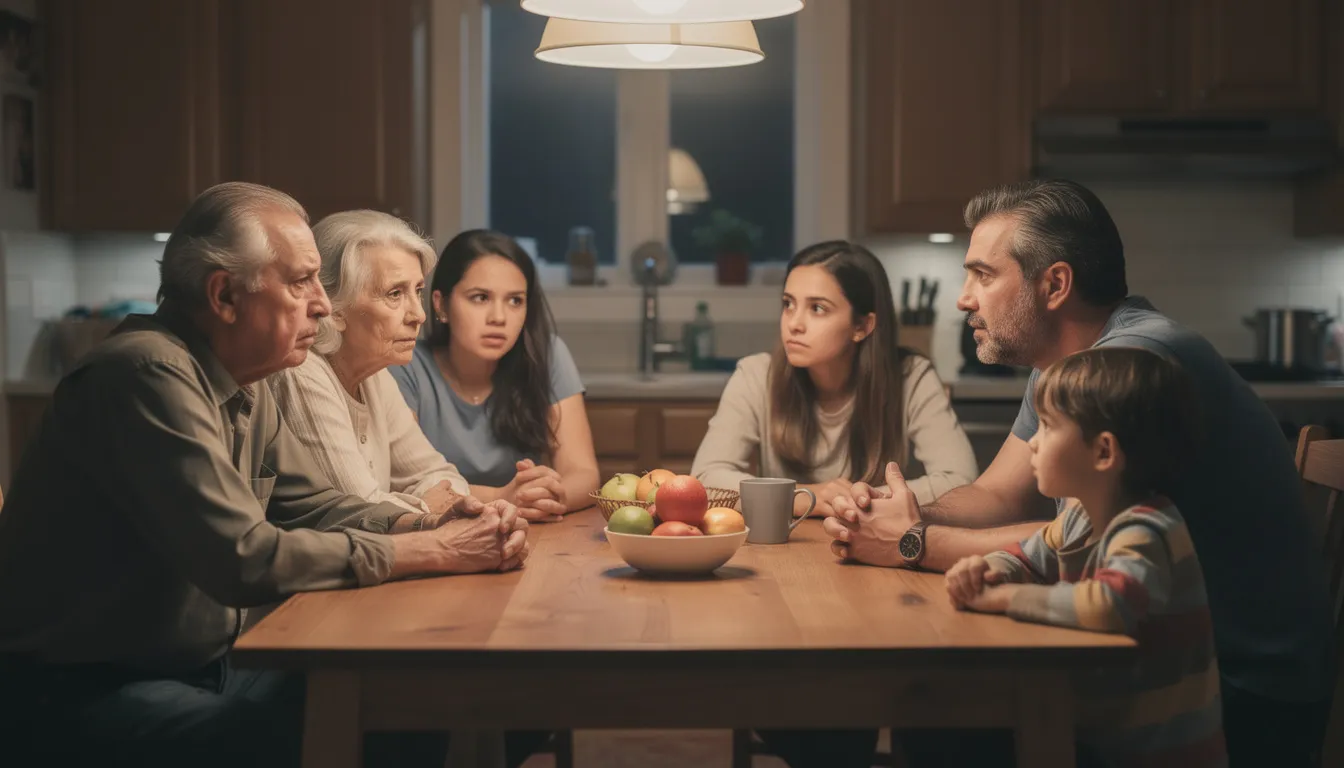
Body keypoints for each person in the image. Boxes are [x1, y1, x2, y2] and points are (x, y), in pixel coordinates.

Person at [0, 182, 529, 768]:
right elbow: (245, 558)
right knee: (360, 718)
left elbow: (314, 504)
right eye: (301, 282)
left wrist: (436, 518)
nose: (324, 304)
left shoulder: (247, 377)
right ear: (225, 296)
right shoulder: (145, 375)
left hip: (207, 668)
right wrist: (432, 550)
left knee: (411, 690)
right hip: (84, 693)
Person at [824, 179, 1333, 766]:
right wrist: (891, 512)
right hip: (1152, 660)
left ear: (1056, 284)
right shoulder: (1067, 368)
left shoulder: (1132, 368)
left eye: (983, 276)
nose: (964, 298)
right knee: (935, 714)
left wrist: (912, 543)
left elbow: (1076, 548)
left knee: (943, 719)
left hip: (1226, 696)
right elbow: (998, 495)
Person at [942, 347, 1225, 767]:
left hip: (1154, 755)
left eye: (1049, 427)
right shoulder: (1078, 516)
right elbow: (1028, 557)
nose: (1032, 443)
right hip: (1103, 735)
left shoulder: (1147, 530)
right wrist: (988, 570)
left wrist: (1001, 599)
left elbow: (1113, 603)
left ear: (1103, 453)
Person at [691, 240, 977, 517]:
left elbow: (961, 481)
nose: (794, 323)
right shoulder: (756, 375)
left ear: (862, 326)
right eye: (788, 304)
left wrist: (862, 500)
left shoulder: (911, 376)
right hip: (784, 546)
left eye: (817, 308)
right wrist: (806, 498)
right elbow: (705, 481)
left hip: (875, 544)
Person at [269, 210, 474, 520]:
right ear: (333, 308)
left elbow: (440, 473)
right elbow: (363, 512)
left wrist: (425, 501)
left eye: (417, 291)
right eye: (394, 294)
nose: (418, 314)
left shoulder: (374, 375)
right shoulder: (301, 373)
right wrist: (434, 506)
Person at [390, 229, 599, 521]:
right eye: (480, 298)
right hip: (436, 537)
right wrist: (501, 498)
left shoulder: (546, 354)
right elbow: (402, 483)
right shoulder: (404, 364)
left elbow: (583, 473)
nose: (499, 318)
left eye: (515, 301)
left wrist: (549, 497)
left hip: (523, 533)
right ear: (441, 304)